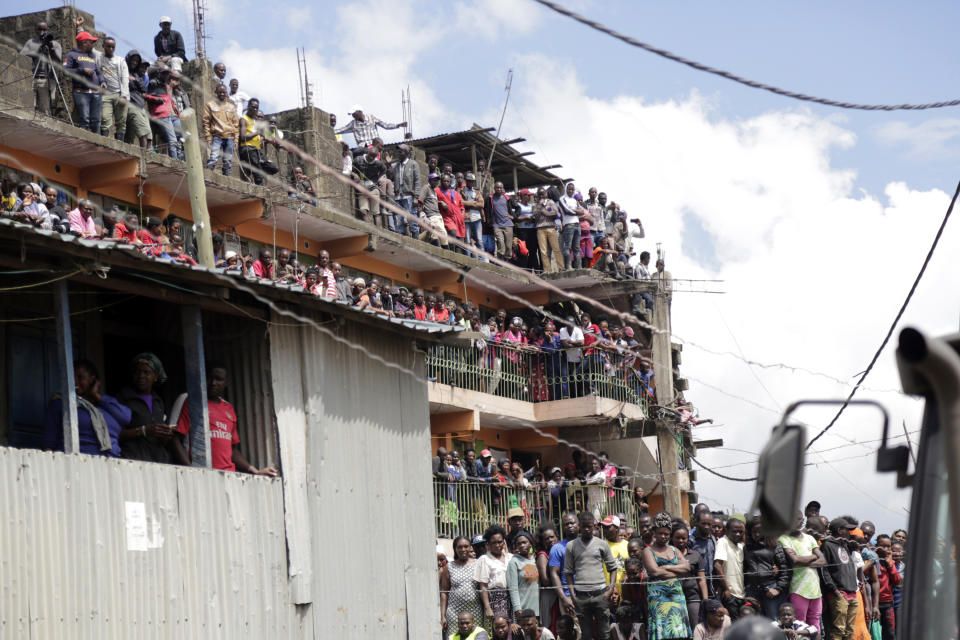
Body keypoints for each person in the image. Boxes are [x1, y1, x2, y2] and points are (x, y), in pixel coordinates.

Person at [173, 364, 278, 476]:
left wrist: (255, 471)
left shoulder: (228, 408)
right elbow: (175, 439)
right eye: (209, 378)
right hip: (202, 474)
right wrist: (191, 470)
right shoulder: (190, 400)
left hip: (228, 475)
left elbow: (231, 450)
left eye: (219, 379)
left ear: (226, 383)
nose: (213, 383)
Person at [42, 358, 130, 457]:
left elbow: (126, 418)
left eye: (80, 377)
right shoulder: (61, 403)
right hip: (78, 463)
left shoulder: (107, 404)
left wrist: (96, 396)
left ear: (92, 380)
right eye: (71, 377)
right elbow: (49, 444)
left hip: (112, 464)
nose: (75, 382)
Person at [115, 353, 179, 463]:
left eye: (146, 372)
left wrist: (165, 435)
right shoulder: (123, 399)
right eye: (137, 372)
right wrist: (143, 431)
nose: (141, 376)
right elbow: (114, 433)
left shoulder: (158, 402)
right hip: (132, 461)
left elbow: (161, 441)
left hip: (158, 462)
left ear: (156, 376)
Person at [564, 511, 618, 640]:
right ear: (579, 527)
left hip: (600, 594)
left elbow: (613, 568)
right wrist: (572, 595)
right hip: (581, 596)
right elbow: (568, 572)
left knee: (604, 634)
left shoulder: (602, 544)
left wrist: (610, 590)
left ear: (594, 526)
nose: (587, 529)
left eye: (590, 526)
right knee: (586, 635)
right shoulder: (571, 546)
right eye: (584, 526)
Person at [642, 511, 692, 640]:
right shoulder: (648, 551)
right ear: (654, 533)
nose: (664, 536)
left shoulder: (674, 550)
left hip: (676, 596)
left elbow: (687, 567)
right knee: (663, 631)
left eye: (667, 534)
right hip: (659, 598)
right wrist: (676, 571)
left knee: (678, 631)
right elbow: (655, 572)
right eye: (661, 533)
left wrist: (667, 567)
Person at [778, 512, 826, 635]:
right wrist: (813, 556)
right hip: (799, 588)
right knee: (799, 624)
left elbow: (822, 560)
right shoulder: (785, 538)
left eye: (798, 519)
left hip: (815, 589)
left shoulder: (809, 538)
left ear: (802, 520)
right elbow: (795, 559)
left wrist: (805, 561)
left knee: (815, 625)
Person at [820, 518, 860, 639]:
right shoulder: (827, 545)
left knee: (849, 630)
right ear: (839, 530)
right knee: (838, 629)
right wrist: (835, 591)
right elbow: (824, 570)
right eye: (847, 530)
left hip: (852, 592)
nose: (850, 533)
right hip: (839, 593)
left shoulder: (845, 545)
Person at [743, 519, 790, 620]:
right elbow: (745, 569)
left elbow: (784, 570)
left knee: (773, 620)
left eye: (760, 531)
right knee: (753, 620)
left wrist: (778, 589)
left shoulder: (774, 545)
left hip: (770, 588)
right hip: (753, 590)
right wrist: (747, 588)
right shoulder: (746, 547)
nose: (757, 534)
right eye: (754, 531)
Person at [20, 21, 63, 117]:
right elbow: (22, 56)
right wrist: (38, 50)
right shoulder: (30, 42)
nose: (42, 31)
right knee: (29, 106)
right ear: (36, 30)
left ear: (48, 30)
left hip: (46, 79)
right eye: (40, 29)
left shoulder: (55, 44)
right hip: (32, 77)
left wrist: (51, 49)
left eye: (44, 29)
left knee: (45, 108)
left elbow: (58, 60)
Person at [64, 31, 103, 134]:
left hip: (96, 93)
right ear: (84, 43)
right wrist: (82, 70)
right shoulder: (72, 55)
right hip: (81, 93)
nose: (93, 45)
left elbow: (99, 73)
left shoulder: (92, 57)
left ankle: (97, 145)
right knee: (84, 121)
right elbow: (65, 71)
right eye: (91, 42)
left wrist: (103, 81)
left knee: (96, 122)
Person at [443, 536, 484, 635]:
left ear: (471, 548)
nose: (463, 549)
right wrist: (443, 615)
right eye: (459, 547)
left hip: (475, 611)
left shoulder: (478, 564)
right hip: (454, 613)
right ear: (455, 549)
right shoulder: (449, 567)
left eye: (466, 546)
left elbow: (483, 587)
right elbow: (444, 592)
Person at [672, 524, 708, 627]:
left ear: (688, 538)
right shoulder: (667, 555)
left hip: (692, 597)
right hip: (673, 598)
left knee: (696, 627)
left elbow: (702, 579)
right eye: (677, 538)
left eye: (684, 538)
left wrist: (705, 599)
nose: (681, 541)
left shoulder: (695, 555)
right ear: (672, 537)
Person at [477, 525, 515, 624]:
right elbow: (483, 586)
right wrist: (487, 607)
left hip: (512, 599)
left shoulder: (511, 557)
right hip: (495, 600)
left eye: (500, 542)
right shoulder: (484, 559)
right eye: (494, 543)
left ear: (504, 542)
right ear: (488, 544)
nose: (498, 545)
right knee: (499, 630)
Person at [714, 515, 747, 620]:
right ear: (726, 530)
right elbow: (717, 565)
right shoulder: (723, 542)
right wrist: (726, 588)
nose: (738, 534)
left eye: (741, 532)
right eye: (735, 531)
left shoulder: (740, 547)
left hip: (742, 594)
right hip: (730, 594)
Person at [204, 84, 239, 176]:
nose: (222, 94)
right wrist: (208, 137)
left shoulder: (231, 107)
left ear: (226, 92)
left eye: (224, 92)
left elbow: (236, 124)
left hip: (230, 137)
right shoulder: (210, 105)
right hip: (217, 136)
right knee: (213, 158)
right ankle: (207, 176)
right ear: (216, 93)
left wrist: (236, 139)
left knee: (228, 161)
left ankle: (226, 179)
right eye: (220, 92)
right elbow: (206, 121)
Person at [335, 105, 407, 149]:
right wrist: (330, 130)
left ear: (360, 112)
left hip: (374, 145)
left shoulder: (371, 117)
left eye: (354, 114)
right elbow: (342, 130)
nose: (353, 116)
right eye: (352, 115)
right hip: (363, 147)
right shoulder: (353, 123)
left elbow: (385, 125)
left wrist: (398, 125)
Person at [508, 531, 540, 620]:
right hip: (524, 609)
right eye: (519, 544)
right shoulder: (514, 562)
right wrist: (517, 609)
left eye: (524, 542)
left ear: (530, 544)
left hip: (538, 608)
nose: (521, 545)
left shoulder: (536, 559)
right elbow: (513, 588)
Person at [874, 534, 901, 640]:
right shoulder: (872, 559)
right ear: (877, 545)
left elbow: (897, 581)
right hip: (874, 602)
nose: (886, 549)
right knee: (875, 633)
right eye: (883, 546)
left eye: (888, 546)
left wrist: (890, 565)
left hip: (888, 603)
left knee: (890, 633)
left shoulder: (890, 561)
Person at [391, 143, 420, 236]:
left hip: (408, 197)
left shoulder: (413, 164)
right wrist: (388, 165)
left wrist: (416, 197)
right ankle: (401, 243)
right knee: (398, 221)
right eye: (398, 151)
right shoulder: (396, 166)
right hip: (398, 197)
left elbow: (417, 181)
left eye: (401, 151)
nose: (399, 153)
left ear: (406, 152)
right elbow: (390, 177)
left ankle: (416, 242)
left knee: (412, 220)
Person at [354, 145, 387, 225]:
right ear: (368, 152)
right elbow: (352, 168)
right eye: (370, 155)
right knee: (363, 210)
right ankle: (371, 229)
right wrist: (355, 175)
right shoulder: (358, 160)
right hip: (362, 189)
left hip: (373, 188)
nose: (371, 157)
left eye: (374, 156)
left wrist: (379, 178)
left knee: (376, 213)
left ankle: (378, 234)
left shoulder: (378, 163)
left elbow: (384, 170)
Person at [536, 524, 560, 630]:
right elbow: (545, 580)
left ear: (557, 537)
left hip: (558, 593)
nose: (550, 540)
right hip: (549, 595)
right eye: (546, 538)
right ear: (542, 542)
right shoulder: (543, 555)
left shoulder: (557, 551)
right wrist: (560, 580)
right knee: (551, 624)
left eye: (552, 537)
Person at [238, 98, 267, 185]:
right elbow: (243, 137)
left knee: (272, 167)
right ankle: (259, 187)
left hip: (256, 149)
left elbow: (267, 136)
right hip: (248, 148)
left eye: (256, 108)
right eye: (253, 107)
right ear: (248, 107)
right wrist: (257, 133)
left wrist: (262, 138)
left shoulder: (255, 121)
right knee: (258, 174)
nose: (255, 109)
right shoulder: (244, 119)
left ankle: (250, 169)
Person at [486, 182, 516, 261]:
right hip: (497, 225)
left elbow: (518, 207)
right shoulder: (490, 198)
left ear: (502, 188)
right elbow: (487, 211)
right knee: (500, 244)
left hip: (508, 224)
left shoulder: (507, 198)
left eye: (500, 188)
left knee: (508, 246)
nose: (499, 189)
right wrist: (489, 222)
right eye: (497, 187)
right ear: (494, 188)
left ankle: (508, 263)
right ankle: (500, 263)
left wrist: (513, 216)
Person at [558, 182, 584, 270]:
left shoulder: (574, 200)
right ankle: (568, 266)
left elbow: (582, 211)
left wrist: (575, 211)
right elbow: (566, 211)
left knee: (576, 248)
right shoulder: (562, 199)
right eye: (569, 189)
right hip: (568, 225)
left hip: (577, 225)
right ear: (566, 189)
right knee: (567, 247)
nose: (571, 191)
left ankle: (579, 267)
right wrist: (576, 212)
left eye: (572, 189)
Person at [437, 173, 466, 250]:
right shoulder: (437, 191)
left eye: (447, 181)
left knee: (460, 244)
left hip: (459, 221)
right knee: (452, 234)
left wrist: (462, 215)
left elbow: (461, 206)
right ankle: (451, 253)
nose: (446, 183)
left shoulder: (455, 193)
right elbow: (431, 199)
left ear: (450, 182)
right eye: (444, 181)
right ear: (441, 181)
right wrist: (440, 202)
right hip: (447, 218)